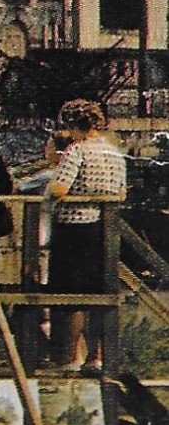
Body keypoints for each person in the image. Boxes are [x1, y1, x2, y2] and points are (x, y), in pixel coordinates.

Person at [47, 99, 128, 376]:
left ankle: (71, 357)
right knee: (98, 293)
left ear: (72, 125)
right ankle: (96, 356)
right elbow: (121, 192)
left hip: (73, 227)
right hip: (103, 227)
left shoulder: (76, 150)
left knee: (72, 296)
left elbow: (59, 189)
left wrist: (50, 184)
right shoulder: (113, 152)